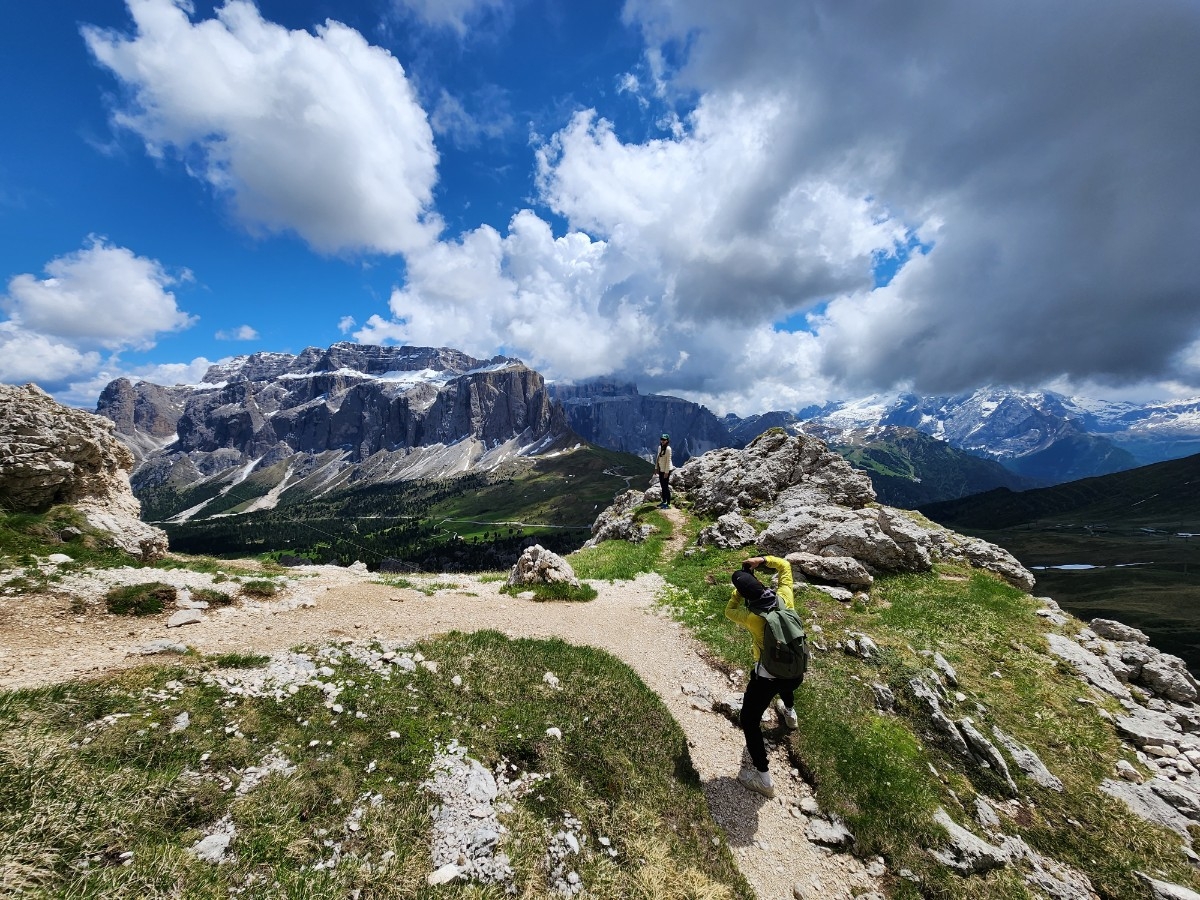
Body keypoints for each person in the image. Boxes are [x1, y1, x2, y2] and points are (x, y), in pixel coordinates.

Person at [725, 555, 801, 799]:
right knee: (786, 684)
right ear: (764, 588)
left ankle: (763, 778)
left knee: (749, 720)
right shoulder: (785, 599)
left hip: (766, 678)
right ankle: (790, 715)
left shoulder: (752, 618)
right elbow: (786, 567)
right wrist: (762, 560)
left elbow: (729, 611)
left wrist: (738, 593)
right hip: (795, 670)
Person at [654, 433, 672, 508]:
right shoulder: (659, 447)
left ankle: (668, 503)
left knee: (665, 486)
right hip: (661, 469)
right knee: (662, 485)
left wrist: (666, 472)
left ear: (667, 440)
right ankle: (664, 501)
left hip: (666, 470)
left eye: (664, 440)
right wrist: (656, 468)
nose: (662, 441)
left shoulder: (668, 449)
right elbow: (658, 458)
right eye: (662, 439)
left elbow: (668, 461)